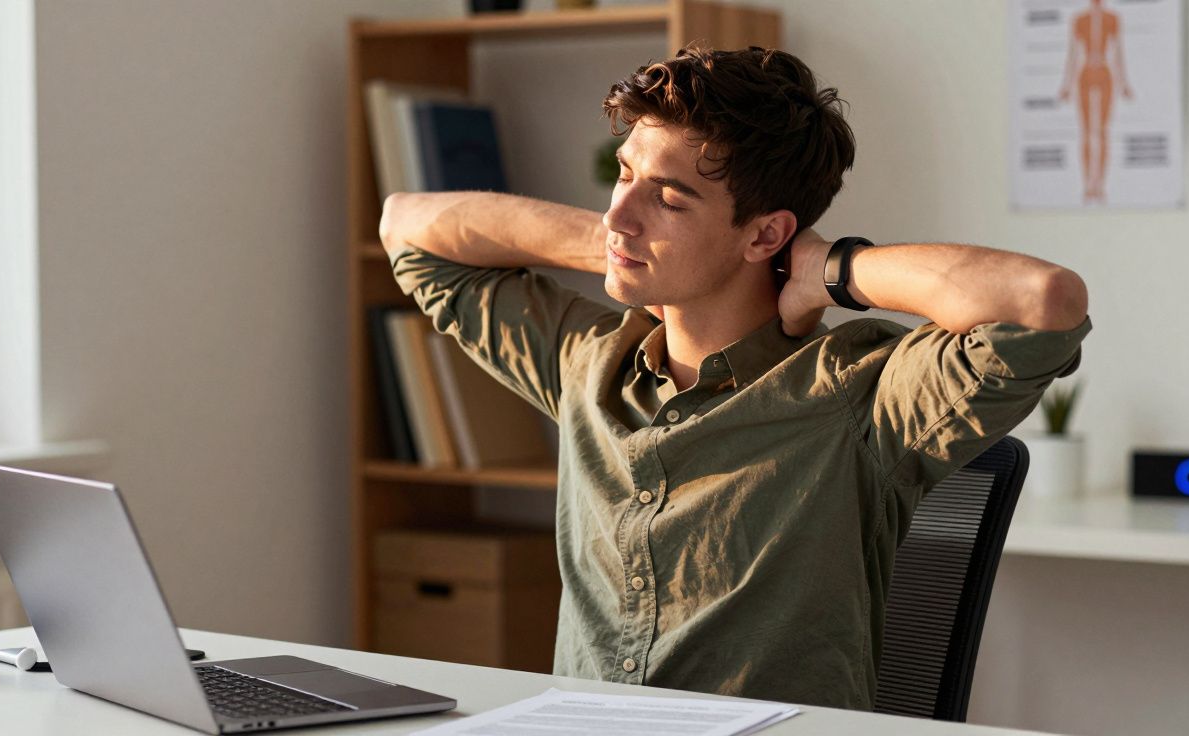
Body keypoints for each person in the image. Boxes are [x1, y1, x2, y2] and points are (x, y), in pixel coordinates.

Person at [379, 46, 1091, 710]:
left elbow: (1042, 303)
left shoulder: (857, 393)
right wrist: (617, 247)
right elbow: (408, 226)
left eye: (669, 199)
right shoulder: (588, 362)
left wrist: (828, 271)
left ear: (765, 235)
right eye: (625, 173)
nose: (618, 213)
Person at [1059, 0, 1133, 203]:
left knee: (1102, 130)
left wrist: (1124, 82)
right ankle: (1086, 185)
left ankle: (1100, 184)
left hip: (1104, 72)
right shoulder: (1079, 19)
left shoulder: (1112, 19)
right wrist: (1066, 85)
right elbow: (1072, 54)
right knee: (1085, 130)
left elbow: (1118, 52)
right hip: (1085, 73)